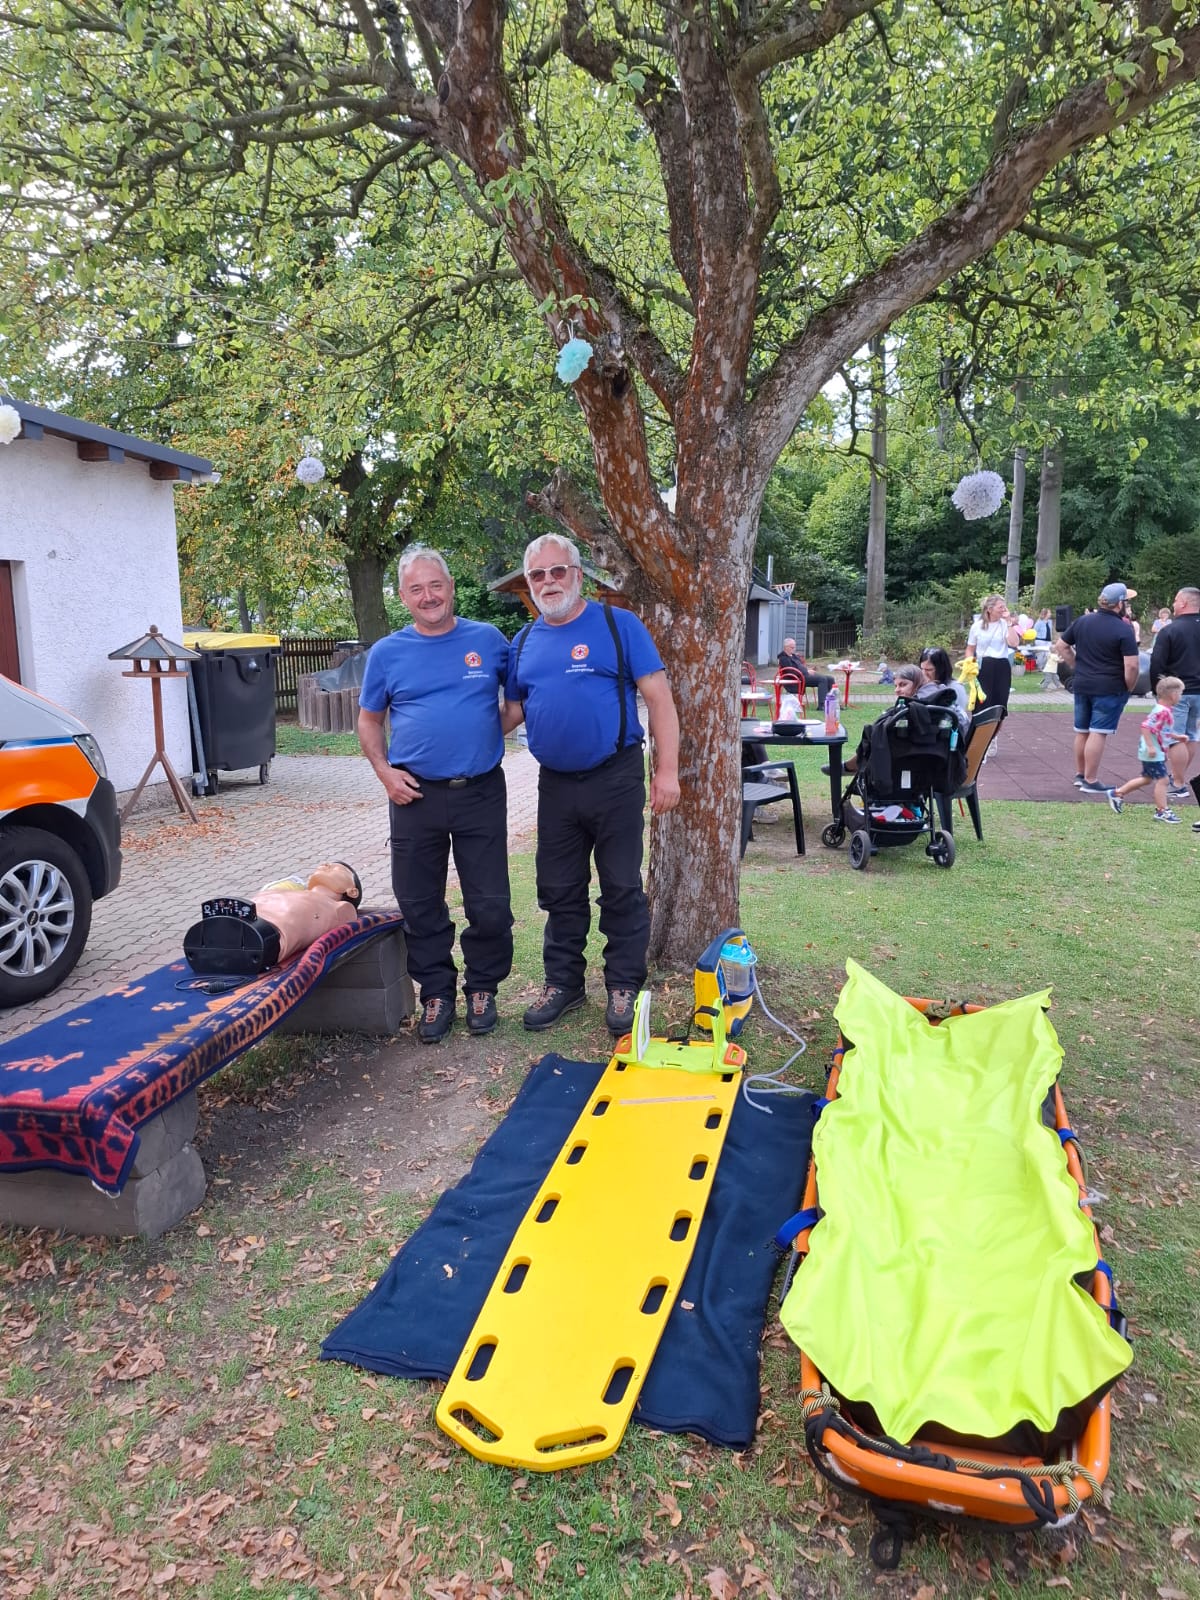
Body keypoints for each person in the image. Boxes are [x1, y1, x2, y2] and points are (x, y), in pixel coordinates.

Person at [506, 535, 681, 1037]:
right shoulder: (523, 642)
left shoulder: (617, 625)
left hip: (616, 777)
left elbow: (660, 700)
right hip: (555, 785)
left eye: (557, 571)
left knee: (621, 885)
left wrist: (666, 771)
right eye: (538, 575)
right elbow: (512, 712)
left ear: (578, 574)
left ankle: (623, 984)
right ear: (529, 583)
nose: (548, 582)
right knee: (559, 889)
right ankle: (564, 984)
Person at [357, 546, 514, 1044]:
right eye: (416, 589)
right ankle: (437, 993)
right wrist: (384, 772)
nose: (428, 596)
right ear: (404, 597)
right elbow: (369, 720)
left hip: (480, 791)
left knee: (489, 901)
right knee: (419, 900)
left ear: (451, 587)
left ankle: (482, 988)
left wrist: (485, 735)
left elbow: (518, 700)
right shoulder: (387, 653)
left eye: (436, 585)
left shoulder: (488, 640)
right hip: (413, 795)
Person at [1055, 581, 1140, 796]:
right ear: (1119, 604)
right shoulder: (1123, 628)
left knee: (1082, 730)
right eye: (1126, 602)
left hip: (1083, 683)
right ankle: (1091, 780)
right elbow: (1131, 665)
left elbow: (1062, 646)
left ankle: (1080, 774)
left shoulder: (1083, 621)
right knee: (1098, 732)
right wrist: (1129, 686)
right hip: (1109, 686)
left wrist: (1076, 665)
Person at [1108, 677, 1185, 823]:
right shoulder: (1162, 711)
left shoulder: (1165, 710)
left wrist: (1176, 736)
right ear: (1173, 695)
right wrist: (1151, 746)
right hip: (1153, 753)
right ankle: (1162, 811)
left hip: (1155, 752)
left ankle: (1117, 793)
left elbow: (1161, 730)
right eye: (1180, 693)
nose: (1181, 697)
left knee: (1147, 779)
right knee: (1163, 780)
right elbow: (1145, 726)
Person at [1149, 585, 1200, 805]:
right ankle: (1179, 777)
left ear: (1185, 603)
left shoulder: (1170, 631)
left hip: (1177, 692)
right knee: (1191, 735)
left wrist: (1157, 690)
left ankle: (1178, 783)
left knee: (1175, 737)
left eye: (1176, 600)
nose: (1173, 604)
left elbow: (1157, 663)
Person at [964, 595, 1021, 721]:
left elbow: (1014, 643)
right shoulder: (977, 626)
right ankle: (979, 730)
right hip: (983, 665)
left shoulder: (1005, 624)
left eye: (1004, 607)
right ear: (990, 609)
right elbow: (970, 649)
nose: (1004, 609)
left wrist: (1009, 623)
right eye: (1000, 607)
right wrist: (969, 663)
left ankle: (995, 732)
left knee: (999, 704)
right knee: (982, 702)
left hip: (1001, 665)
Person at [917, 646, 971, 735]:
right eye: (921, 669)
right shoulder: (923, 686)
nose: (923, 674)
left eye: (929, 670)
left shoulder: (955, 688)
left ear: (941, 669)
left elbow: (954, 718)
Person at [777, 637, 834, 702]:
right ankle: (822, 704)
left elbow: (800, 667)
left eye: (794, 647)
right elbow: (791, 671)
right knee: (822, 679)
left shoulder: (794, 656)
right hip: (797, 678)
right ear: (786, 647)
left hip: (804, 675)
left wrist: (808, 670)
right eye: (792, 647)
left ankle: (832, 702)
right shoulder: (783, 658)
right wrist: (806, 672)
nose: (794, 649)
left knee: (830, 679)